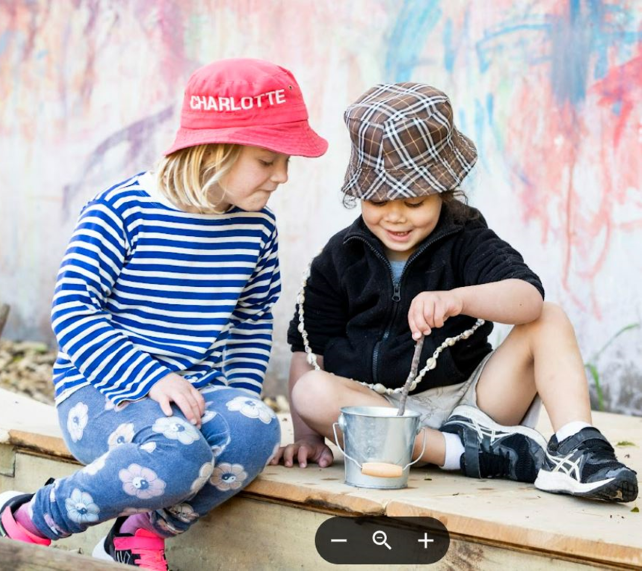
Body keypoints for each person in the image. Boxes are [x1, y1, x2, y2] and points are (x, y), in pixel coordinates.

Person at [0, 58, 327, 569]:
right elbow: (73, 313)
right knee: (179, 452)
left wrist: (239, 399)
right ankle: (27, 519)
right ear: (214, 152)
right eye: (267, 160)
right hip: (103, 391)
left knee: (256, 427)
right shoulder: (121, 210)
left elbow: (252, 318)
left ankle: (136, 532)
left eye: (287, 162)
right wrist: (151, 377)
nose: (283, 176)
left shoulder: (257, 228)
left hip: (196, 391)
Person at [272, 82, 638, 504]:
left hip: (475, 403)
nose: (395, 216)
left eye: (414, 202)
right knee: (310, 392)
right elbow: (306, 351)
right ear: (359, 193)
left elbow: (527, 298)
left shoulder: (465, 236)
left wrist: (459, 299)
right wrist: (307, 437)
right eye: (378, 200)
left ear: (442, 191)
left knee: (549, 317)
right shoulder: (338, 258)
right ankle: (468, 456)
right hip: (382, 411)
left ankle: (578, 450)